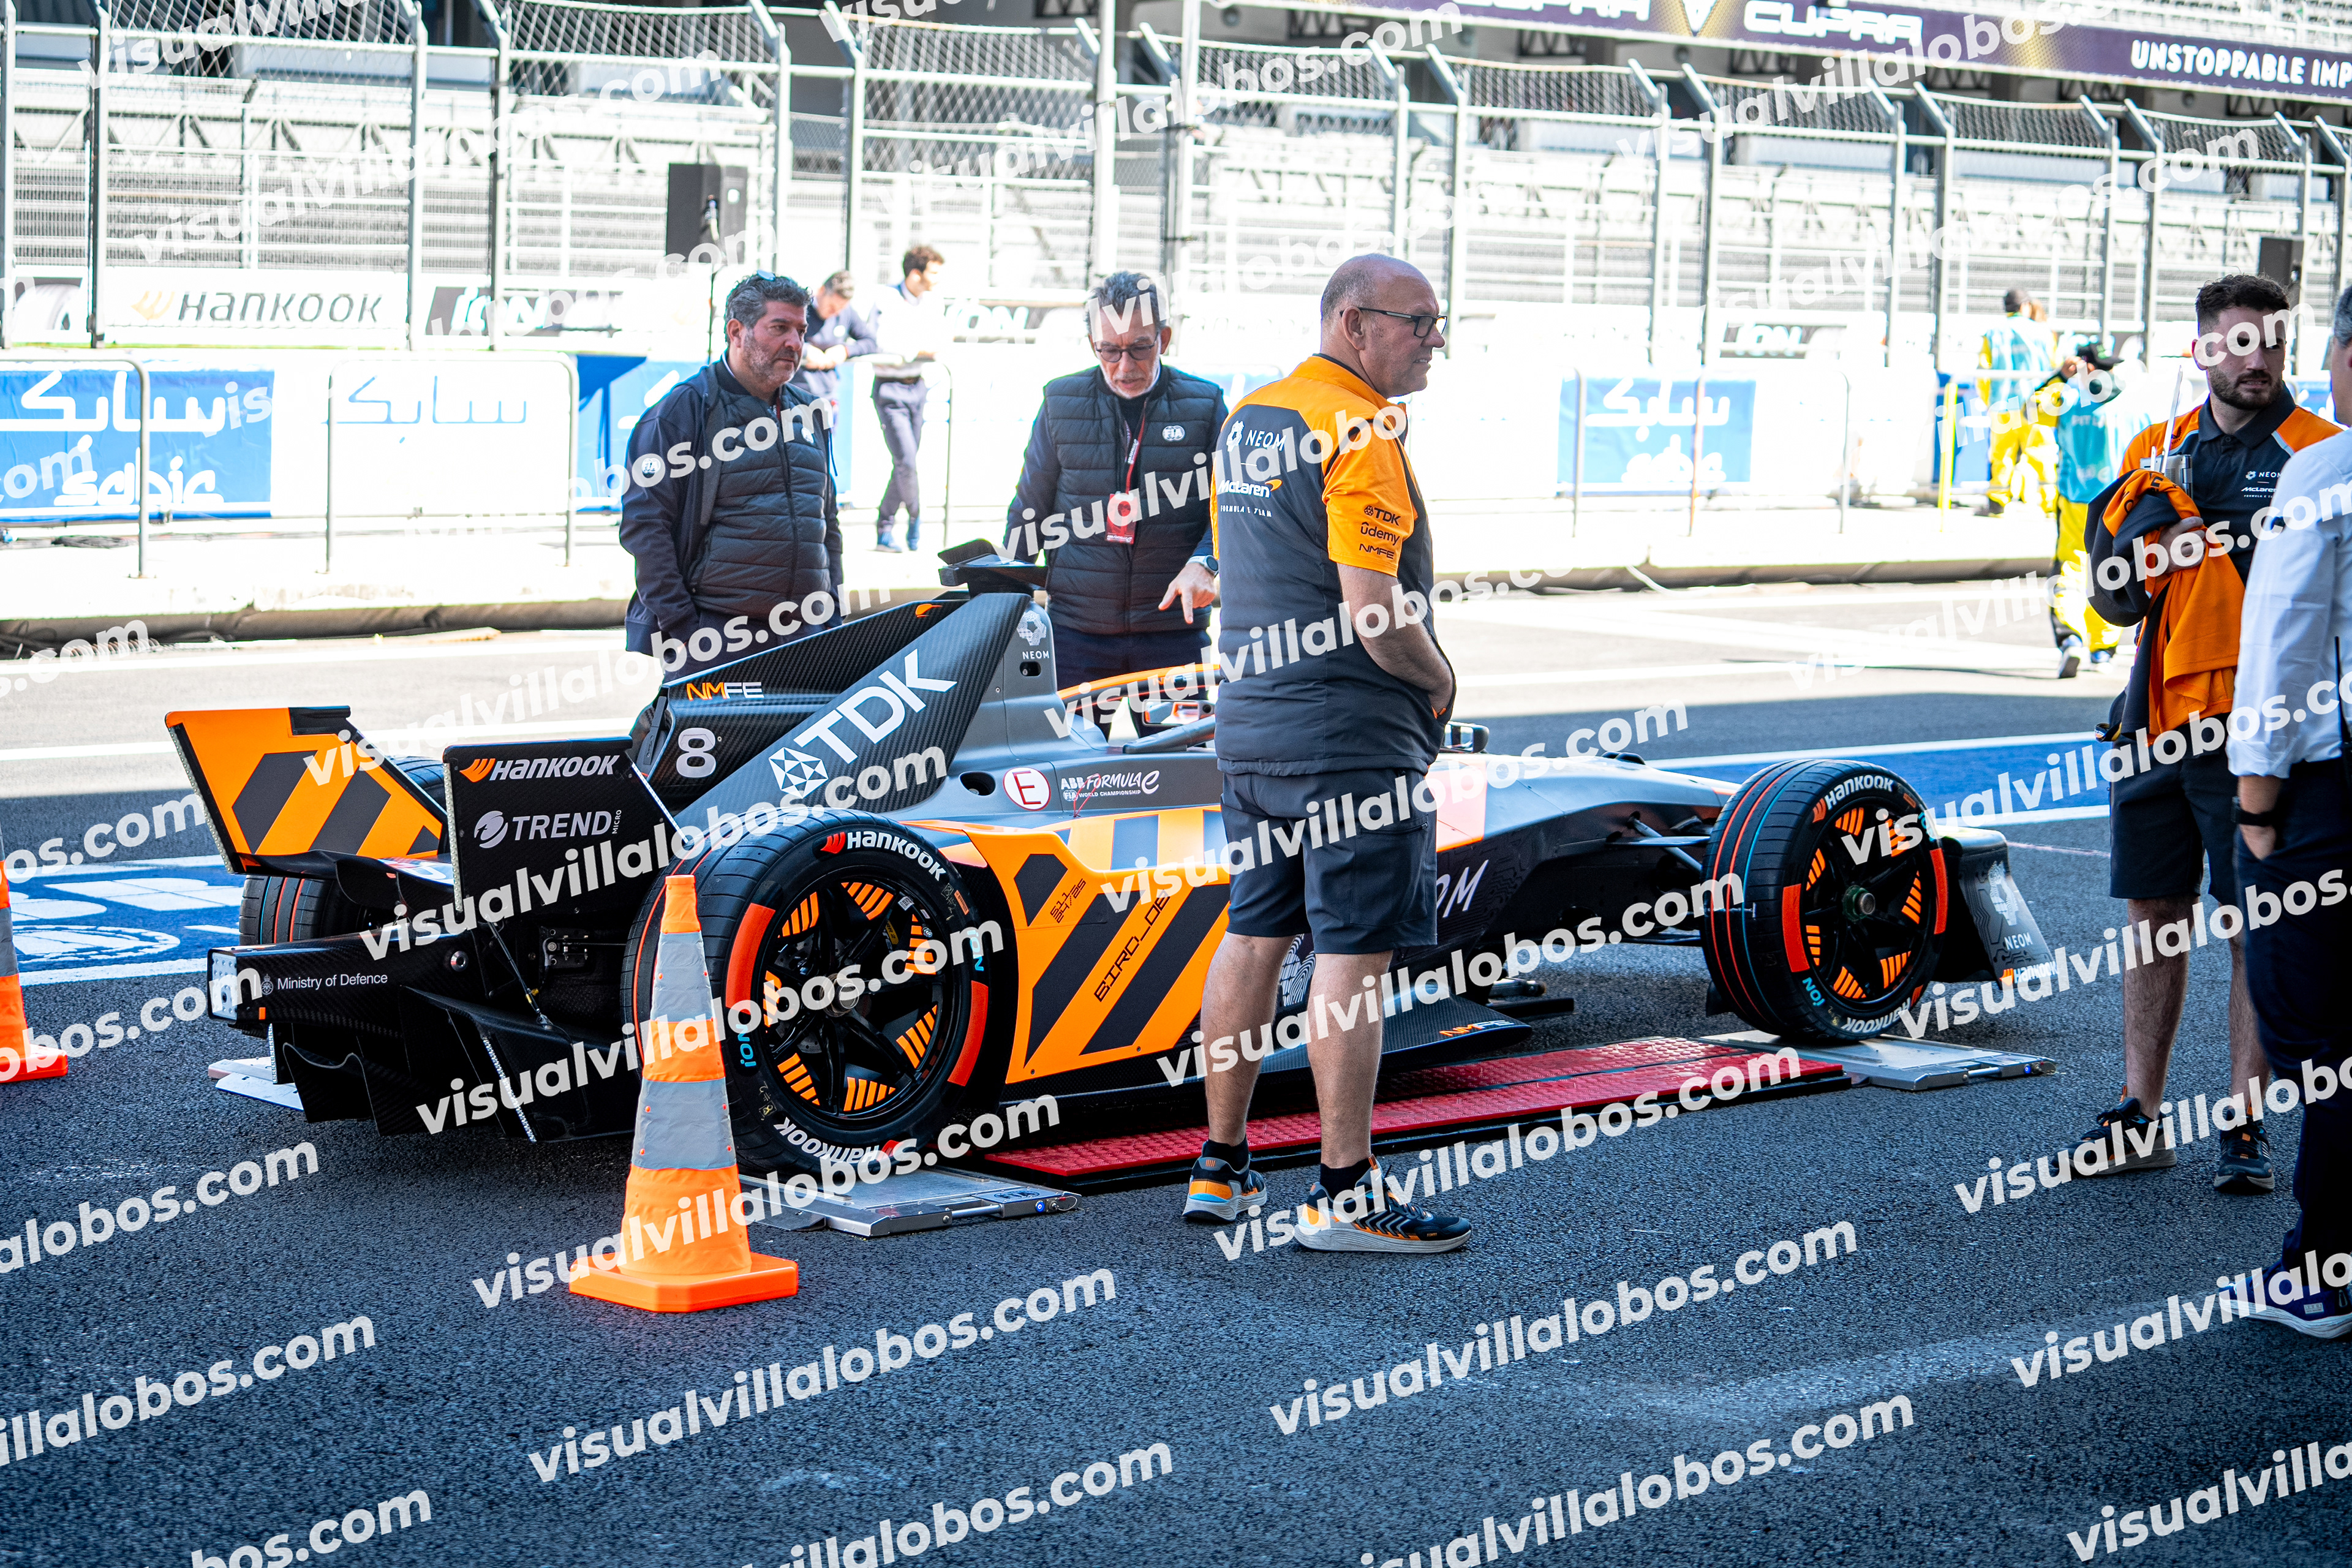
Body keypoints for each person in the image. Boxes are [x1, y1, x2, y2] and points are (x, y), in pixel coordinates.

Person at [1180, 254, 1469, 1254]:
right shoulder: (1361, 429)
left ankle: (1220, 1166)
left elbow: (1236, 563)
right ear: (1355, 322)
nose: (1435, 341)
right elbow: (1375, 612)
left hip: (1253, 723)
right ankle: (1346, 1192)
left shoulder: (1253, 416)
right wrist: (1439, 679)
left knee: (1253, 934)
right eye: (1419, 323)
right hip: (1348, 736)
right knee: (1352, 954)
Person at [2078, 273, 2340, 1194]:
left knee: (2250, 922)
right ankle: (2139, 1114)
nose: (2259, 358)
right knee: (2153, 918)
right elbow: (2113, 603)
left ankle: (2244, 1121)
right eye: (2239, 342)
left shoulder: (2321, 451)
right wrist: (2132, 545)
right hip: (2153, 723)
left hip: (2260, 733)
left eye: (2273, 341)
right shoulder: (2158, 448)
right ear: (2202, 351)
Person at [2229, 281, 2352, 1338]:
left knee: (2320, 1038)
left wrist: (2257, 803)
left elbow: (2281, 645)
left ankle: (2323, 1269)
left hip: (2329, 800)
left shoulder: (2326, 466)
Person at [1003, 271, 1229, 689]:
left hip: (1173, 633)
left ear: (1164, 338)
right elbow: (1029, 510)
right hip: (1075, 634)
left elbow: (1231, 504)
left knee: (1179, 737)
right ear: (1092, 342)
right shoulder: (1060, 401)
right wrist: (1005, 604)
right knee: (1067, 737)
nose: (1124, 367)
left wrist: (1206, 563)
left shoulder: (1205, 403)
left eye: (1139, 348)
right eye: (1109, 350)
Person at [618, 273, 842, 680]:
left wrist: (833, 618)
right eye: (779, 328)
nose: (795, 343)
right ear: (737, 332)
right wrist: (686, 629)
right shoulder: (684, 411)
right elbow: (646, 527)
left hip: (807, 637)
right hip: (716, 637)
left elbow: (827, 523)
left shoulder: (811, 413)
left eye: (801, 330)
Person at [2049, 345, 2135, 677]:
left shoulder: (2067, 400)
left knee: (2069, 569)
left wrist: (2059, 377)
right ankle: (2103, 649)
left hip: (2074, 499)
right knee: (2109, 570)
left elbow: (2027, 412)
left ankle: (2071, 638)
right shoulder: (2130, 404)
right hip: (2115, 501)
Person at [862, 244, 947, 553]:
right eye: (933, 272)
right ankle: (915, 515)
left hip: (918, 386)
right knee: (907, 462)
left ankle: (885, 526)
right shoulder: (885, 298)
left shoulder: (934, 301)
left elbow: (942, 339)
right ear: (915, 274)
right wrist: (918, 348)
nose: (938, 279)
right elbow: (880, 343)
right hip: (890, 389)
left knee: (904, 464)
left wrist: (916, 348)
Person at [1981, 288, 2059, 519]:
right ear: (2025, 306)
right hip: (2036, 405)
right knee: (2043, 455)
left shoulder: (1992, 333)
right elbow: (2055, 367)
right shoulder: (2043, 332)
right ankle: (2051, 505)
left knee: (2002, 456)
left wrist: (1990, 402)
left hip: (2003, 404)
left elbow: (1984, 372)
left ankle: (1997, 503)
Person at [789, 270, 876, 419]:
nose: (836, 313)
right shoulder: (798, 309)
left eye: (841, 308)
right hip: (794, 394)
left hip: (828, 396)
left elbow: (870, 342)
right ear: (821, 291)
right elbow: (778, 338)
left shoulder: (847, 313)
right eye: (832, 306)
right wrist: (805, 351)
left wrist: (846, 350)